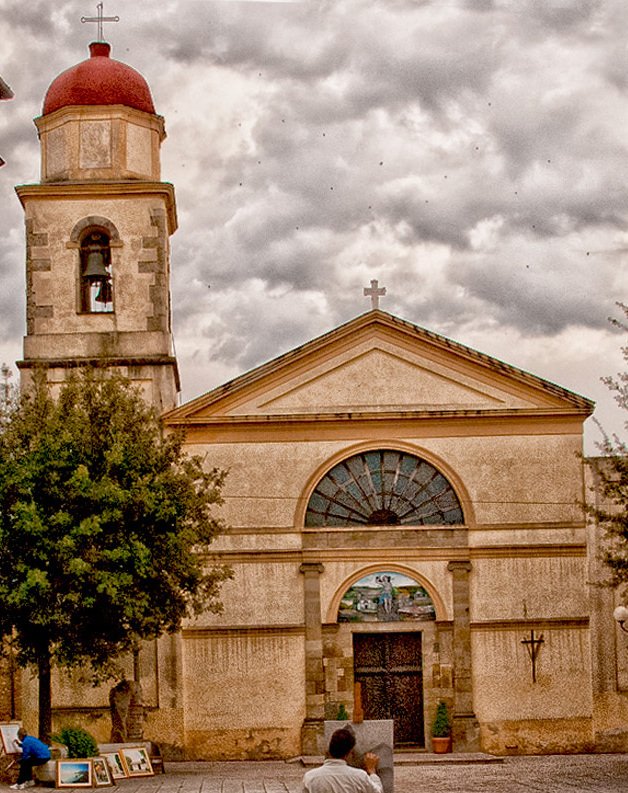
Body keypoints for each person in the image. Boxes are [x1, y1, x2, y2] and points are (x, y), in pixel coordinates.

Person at [303, 728, 383, 793]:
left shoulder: (310, 777)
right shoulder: (360, 776)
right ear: (350, 753)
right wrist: (372, 771)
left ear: (328, 750)